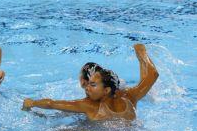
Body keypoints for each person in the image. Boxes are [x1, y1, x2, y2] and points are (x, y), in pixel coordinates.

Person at [22, 44, 159, 121]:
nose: (87, 87)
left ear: (106, 90)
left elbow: (51, 104)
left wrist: (32, 103)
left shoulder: (90, 105)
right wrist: (142, 53)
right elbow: (153, 75)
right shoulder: (130, 96)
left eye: (92, 85)